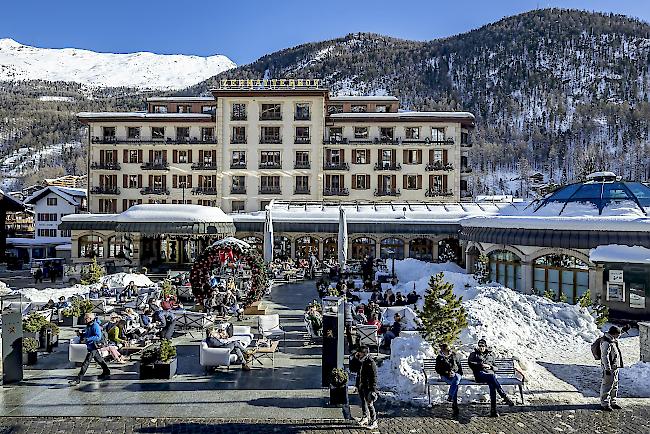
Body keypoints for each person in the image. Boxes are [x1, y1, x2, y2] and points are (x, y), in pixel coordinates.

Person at [468, 338, 514, 417]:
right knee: (492, 377)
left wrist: (490, 366)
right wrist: (480, 365)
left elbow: (496, 368)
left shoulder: (490, 355)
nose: (481, 347)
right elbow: (470, 364)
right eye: (479, 346)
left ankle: (493, 411)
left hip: (490, 375)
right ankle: (504, 396)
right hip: (480, 375)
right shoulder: (474, 354)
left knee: (492, 386)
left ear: (485, 346)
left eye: (482, 346)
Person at [69, 313, 110, 385]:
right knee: (99, 359)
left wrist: (87, 339)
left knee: (86, 363)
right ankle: (107, 371)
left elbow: (98, 337)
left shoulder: (95, 325)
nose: (84, 320)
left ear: (90, 319)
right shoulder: (89, 325)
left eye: (86, 318)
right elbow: (87, 334)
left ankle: (78, 379)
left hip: (93, 346)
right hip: (90, 345)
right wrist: (81, 334)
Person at [435, 343, 463, 416]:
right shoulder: (439, 358)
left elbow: (459, 365)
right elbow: (438, 369)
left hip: (456, 374)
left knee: (456, 379)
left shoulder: (454, 355)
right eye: (446, 351)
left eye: (449, 350)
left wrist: (455, 372)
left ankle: (450, 396)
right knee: (455, 384)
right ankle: (455, 405)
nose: (448, 352)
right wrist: (447, 372)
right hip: (445, 376)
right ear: (443, 350)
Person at [600, 325, 624, 411]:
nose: (619, 336)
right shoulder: (606, 342)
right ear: (613, 334)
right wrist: (607, 369)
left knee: (614, 386)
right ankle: (605, 404)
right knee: (607, 386)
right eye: (618, 334)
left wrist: (623, 329)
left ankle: (613, 402)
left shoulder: (612, 339)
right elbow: (604, 356)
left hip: (615, 367)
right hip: (609, 369)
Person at [354, 346, 378, 429]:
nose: (358, 354)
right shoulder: (361, 361)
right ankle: (365, 417)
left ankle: (374, 421)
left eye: (359, 352)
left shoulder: (370, 362)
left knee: (370, 404)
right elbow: (355, 370)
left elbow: (374, 377)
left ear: (364, 353)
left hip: (368, 387)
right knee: (363, 402)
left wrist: (373, 390)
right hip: (361, 385)